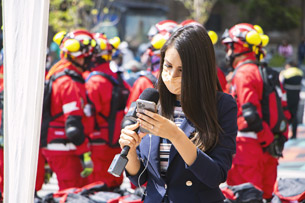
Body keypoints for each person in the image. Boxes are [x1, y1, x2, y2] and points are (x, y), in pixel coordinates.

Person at [119, 24, 238, 203]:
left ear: (199, 71)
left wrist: (175, 135)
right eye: (167, 66)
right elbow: (140, 179)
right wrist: (130, 150)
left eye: (182, 70)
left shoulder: (222, 105)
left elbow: (215, 175)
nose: (172, 75)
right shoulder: (153, 101)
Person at [222, 23, 289, 201]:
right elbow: (285, 112)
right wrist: (274, 141)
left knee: (245, 196)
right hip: (270, 147)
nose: (228, 53)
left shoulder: (244, 73)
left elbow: (249, 113)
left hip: (247, 148)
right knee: (266, 197)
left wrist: (265, 139)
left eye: (229, 47)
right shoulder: (270, 73)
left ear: (238, 46)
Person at [42, 30, 95, 190]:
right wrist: (84, 154)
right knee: (70, 194)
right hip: (65, 146)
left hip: (63, 145)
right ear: (78, 56)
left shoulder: (60, 75)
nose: (90, 60)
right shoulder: (68, 83)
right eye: (88, 57)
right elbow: (73, 126)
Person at [85, 33, 131, 189]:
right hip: (116, 142)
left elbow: (88, 116)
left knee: (97, 189)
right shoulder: (118, 78)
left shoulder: (94, 81)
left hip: (98, 144)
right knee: (113, 186)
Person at [280, 61, 303, 139]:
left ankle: (284, 133)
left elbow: (281, 84)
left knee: (285, 115)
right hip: (296, 97)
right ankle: (294, 134)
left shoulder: (285, 73)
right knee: (294, 115)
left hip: (286, 97)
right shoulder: (300, 72)